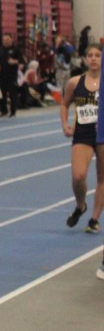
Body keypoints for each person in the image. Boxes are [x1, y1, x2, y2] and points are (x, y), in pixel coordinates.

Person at [61, 46, 103, 233]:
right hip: (83, 133)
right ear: (85, 59)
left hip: (103, 133)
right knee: (78, 176)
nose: (93, 59)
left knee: (102, 177)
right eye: (90, 55)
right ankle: (81, 205)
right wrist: (65, 124)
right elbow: (64, 104)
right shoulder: (75, 82)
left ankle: (94, 219)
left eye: (98, 55)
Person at [0, 33, 22, 117]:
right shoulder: (1, 49)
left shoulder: (16, 49)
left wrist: (14, 61)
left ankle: (13, 111)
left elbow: (22, 61)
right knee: (1, 93)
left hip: (12, 75)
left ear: (11, 39)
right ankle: (3, 110)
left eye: (7, 40)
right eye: (4, 40)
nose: (5, 42)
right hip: (2, 74)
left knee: (12, 94)